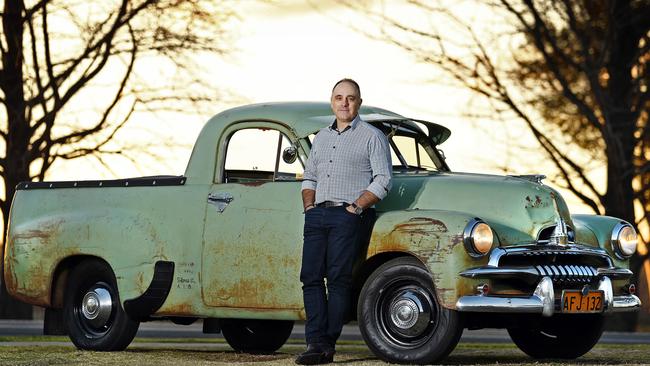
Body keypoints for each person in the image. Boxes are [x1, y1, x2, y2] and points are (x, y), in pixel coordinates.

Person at [296, 79, 392, 365]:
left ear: (359, 103)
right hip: (316, 215)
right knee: (310, 278)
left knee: (337, 279)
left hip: (347, 216)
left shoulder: (372, 136)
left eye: (350, 98)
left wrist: (356, 207)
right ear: (332, 101)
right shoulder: (322, 138)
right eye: (339, 97)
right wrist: (309, 206)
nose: (344, 103)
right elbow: (309, 175)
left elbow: (384, 179)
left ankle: (327, 344)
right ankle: (315, 343)